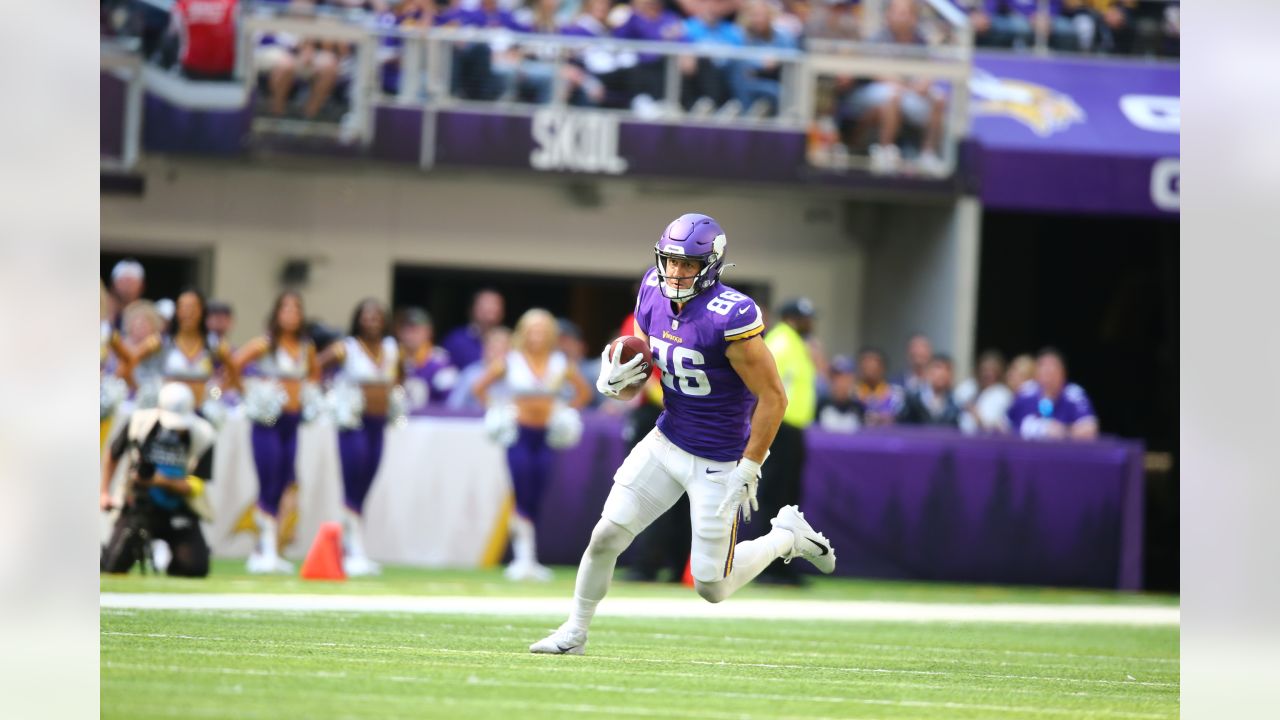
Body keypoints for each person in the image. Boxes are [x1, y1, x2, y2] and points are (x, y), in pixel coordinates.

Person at [530, 213, 836, 655]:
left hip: (718, 458)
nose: (675, 272)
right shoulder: (651, 290)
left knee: (712, 586)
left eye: (687, 264)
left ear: (710, 266)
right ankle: (575, 631)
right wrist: (618, 381)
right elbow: (644, 363)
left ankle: (785, 537)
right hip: (666, 439)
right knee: (605, 536)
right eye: (670, 261)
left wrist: (749, 466)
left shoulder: (730, 315)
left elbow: (774, 399)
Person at [474, 309, 592, 581]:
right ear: (523, 333)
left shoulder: (560, 362)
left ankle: (530, 558)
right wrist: (500, 411)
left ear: (550, 334)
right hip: (519, 435)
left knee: (538, 492)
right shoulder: (511, 361)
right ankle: (522, 558)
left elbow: (584, 392)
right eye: (532, 330)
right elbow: (479, 389)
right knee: (522, 490)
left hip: (545, 437)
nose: (537, 336)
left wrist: (562, 410)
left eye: (542, 330)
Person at [231, 291, 322, 574]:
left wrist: (308, 395)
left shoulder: (307, 347)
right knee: (268, 478)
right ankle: (264, 547)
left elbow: (315, 375)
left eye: (296, 309)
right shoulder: (264, 345)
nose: (291, 314)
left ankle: (268, 547)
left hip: (292, 421)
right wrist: (249, 393)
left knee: (284, 479)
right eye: (286, 309)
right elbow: (234, 365)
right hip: (267, 420)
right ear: (276, 313)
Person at [317, 298, 402, 576]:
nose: (372, 321)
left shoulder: (391, 349)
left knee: (367, 479)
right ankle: (353, 549)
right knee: (353, 478)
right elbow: (315, 367)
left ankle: (352, 545)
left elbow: (399, 377)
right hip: (353, 423)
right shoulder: (347, 348)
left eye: (378, 316)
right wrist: (329, 397)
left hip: (379, 423)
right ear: (358, 319)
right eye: (367, 316)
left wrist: (394, 398)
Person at [100, 383, 216, 577]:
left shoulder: (203, 434)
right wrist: (104, 493)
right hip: (139, 504)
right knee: (114, 565)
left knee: (194, 567)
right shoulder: (139, 423)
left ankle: (176, 559)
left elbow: (197, 485)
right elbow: (113, 454)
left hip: (180, 508)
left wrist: (159, 481)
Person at [758, 296, 818, 585]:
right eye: (806, 318)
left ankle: (781, 566)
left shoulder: (794, 343)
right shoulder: (782, 342)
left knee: (787, 502)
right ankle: (767, 566)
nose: (811, 324)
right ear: (792, 319)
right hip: (779, 429)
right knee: (774, 498)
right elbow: (761, 384)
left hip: (791, 431)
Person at [1007, 348, 1099, 440]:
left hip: (1063, 452)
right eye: (1043, 366)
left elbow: (1089, 428)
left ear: (1063, 372)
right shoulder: (1026, 393)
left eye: (1052, 367)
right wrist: (1041, 429)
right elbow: (1005, 425)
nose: (1047, 371)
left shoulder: (1074, 394)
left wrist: (1062, 431)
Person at [397, 307, 459, 412]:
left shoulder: (440, 361)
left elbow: (449, 400)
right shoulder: (392, 356)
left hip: (429, 422)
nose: (410, 335)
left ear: (429, 332)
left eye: (415, 329)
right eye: (405, 329)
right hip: (397, 419)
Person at [442, 288, 506, 371]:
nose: (490, 309)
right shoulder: (456, 339)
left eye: (495, 305)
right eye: (485, 305)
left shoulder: (510, 340)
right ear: (473, 308)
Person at [954, 349, 1014, 434]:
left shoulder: (1003, 393)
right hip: (960, 436)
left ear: (998, 372)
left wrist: (975, 414)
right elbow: (954, 400)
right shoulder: (970, 385)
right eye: (984, 369)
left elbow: (993, 425)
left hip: (984, 441)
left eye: (992, 370)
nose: (987, 374)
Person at [897, 352, 962, 427]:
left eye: (947, 369)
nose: (942, 373)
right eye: (938, 367)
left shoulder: (955, 404)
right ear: (928, 370)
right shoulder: (913, 399)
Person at [854, 346, 903, 426]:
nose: (869, 366)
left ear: (883, 367)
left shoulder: (897, 394)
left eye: (873, 361)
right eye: (865, 362)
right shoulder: (852, 395)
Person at [816, 354, 862, 432]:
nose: (841, 383)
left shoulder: (859, 409)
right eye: (837, 378)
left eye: (846, 378)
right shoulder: (819, 406)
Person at [109, 259, 146, 331]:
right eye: (123, 281)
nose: (127, 286)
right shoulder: (102, 314)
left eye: (132, 281)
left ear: (142, 286)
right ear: (113, 284)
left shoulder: (150, 317)